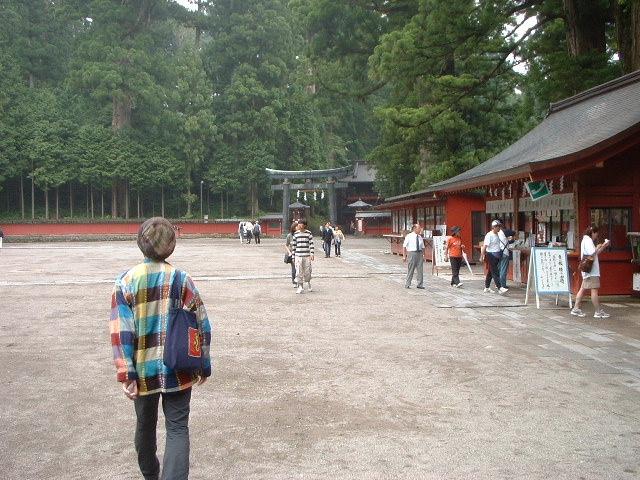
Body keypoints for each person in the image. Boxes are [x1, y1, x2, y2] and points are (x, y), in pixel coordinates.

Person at [110, 217, 211, 480]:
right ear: (171, 246)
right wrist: (204, 365)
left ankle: (151, 475)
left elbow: (121, 332)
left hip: (143, 371)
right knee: (177, 428)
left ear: (140, 243)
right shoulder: (182, 279)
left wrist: (126, 373)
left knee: (145, 426)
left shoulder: (126, 281)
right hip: (179, 367)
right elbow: (202, 324)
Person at [571, 225, 611, 318]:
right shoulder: (588, 240)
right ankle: (598, 311)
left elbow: (594, 254)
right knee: (594, 290)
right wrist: (598, 247)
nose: (596, 236)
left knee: (582, 289)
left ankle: (576, 308)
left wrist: (603, 246)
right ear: (592, 232)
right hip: (592, 271)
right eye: (596, 234)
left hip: (587, 270)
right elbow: (592, 252)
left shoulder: (585, 240)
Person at [480, 219, 509, 294]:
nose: (499, 228)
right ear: (494, 227)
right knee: (495, 271)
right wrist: (482, 256)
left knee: (491, 271)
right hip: (491, 254)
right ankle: (500, 287)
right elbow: (485, 246)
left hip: (497, 254)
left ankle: (487, 287)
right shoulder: (489, 235)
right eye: (498, 227)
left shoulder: (497, 234)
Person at [292, 218, 315, 294]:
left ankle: (308, 282)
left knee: (308, 271)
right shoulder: (296, 234)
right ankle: (300, 287)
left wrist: (312, 254)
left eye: (300, 224)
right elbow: (294, 246)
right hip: (298, 255)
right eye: (298, 224)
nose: (299, 225)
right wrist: (293, 256)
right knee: (299, 271)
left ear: (304, 225)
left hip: (306, 255)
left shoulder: (308, 233)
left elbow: (311, 244)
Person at [403, 224, 425, 289]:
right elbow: (404, 246)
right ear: (414, 228)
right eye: (419, 228)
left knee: (420, 269)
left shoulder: (420, 237)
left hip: (419, 253)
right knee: (411, 269)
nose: (420, 229)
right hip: (412, 253)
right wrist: (404, 256)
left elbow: (423, 247)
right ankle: (407, 284)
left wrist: (424, 255)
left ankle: (420, 284)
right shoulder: (409, 236)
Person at [285, 221, 298, 287]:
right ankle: (294, 281)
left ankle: (299, 281)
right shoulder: (289, 236)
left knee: (300, 269)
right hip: (293, 254)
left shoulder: (300, 235)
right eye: (296, 226)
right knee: (294, 269)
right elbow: (286, 245)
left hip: (300, 253)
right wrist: (289, 252)